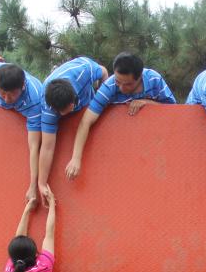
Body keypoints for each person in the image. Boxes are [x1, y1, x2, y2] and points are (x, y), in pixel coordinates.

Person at [64, 52, 176, 180]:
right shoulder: (110, 86)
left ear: (139, 77)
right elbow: (86, 121)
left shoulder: (153, 80)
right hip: (122, 145)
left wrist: (147, 103)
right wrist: (76, 158)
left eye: (127, 84)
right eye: (118, 82)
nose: (121, 88)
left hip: (154, 144)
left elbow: (173, 111)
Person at [0, 62, 45, 202]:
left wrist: (33, 186)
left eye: (12, 95)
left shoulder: (35, 101)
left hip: (28, 110)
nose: (6, 99)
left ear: (23, 87)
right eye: (2, 93)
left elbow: (34, 147)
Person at [36, 57, 109, 201]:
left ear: (73, 100)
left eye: (66, 110)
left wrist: (103, 99)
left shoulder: (84, 71)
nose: (63, 114)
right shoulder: (48, 107)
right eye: (59, 112)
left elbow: (104, 72)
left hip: (87, 99)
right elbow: (47, 147)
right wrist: (42, 183)